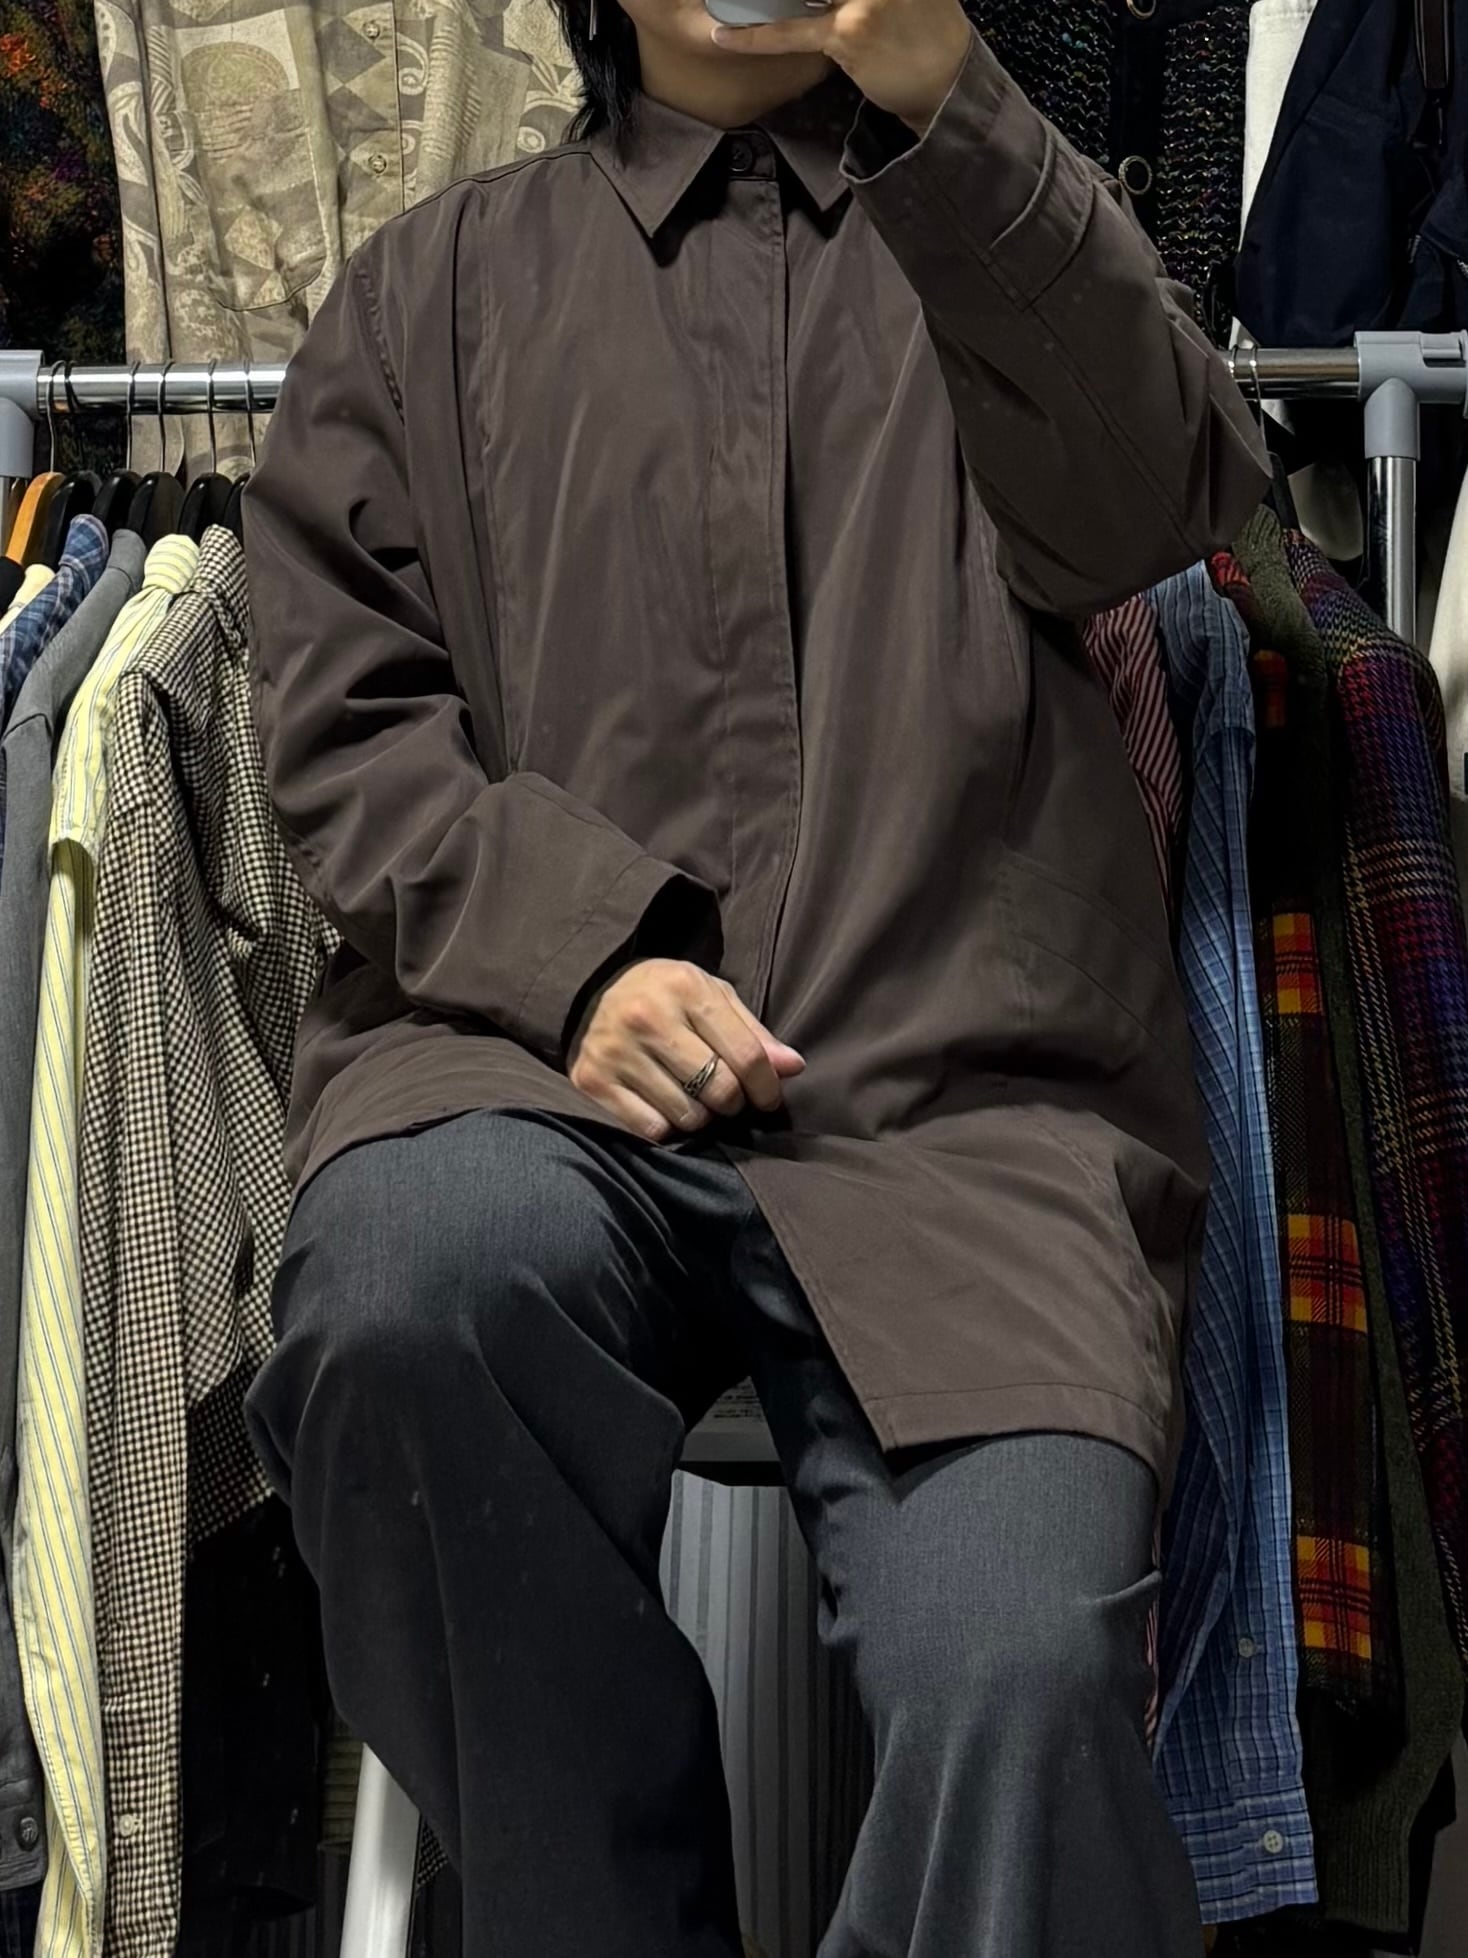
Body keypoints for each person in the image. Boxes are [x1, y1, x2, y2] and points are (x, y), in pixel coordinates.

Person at [242, 1, 1268, 1951]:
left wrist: (949, 105)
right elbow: (342, 727)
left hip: (963, 1109)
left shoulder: (997, 229)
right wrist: (576, 959)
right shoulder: (430, 293)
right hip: (533, 1077)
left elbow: (1157, 505)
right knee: (403, 1295)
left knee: (1027, 1667)